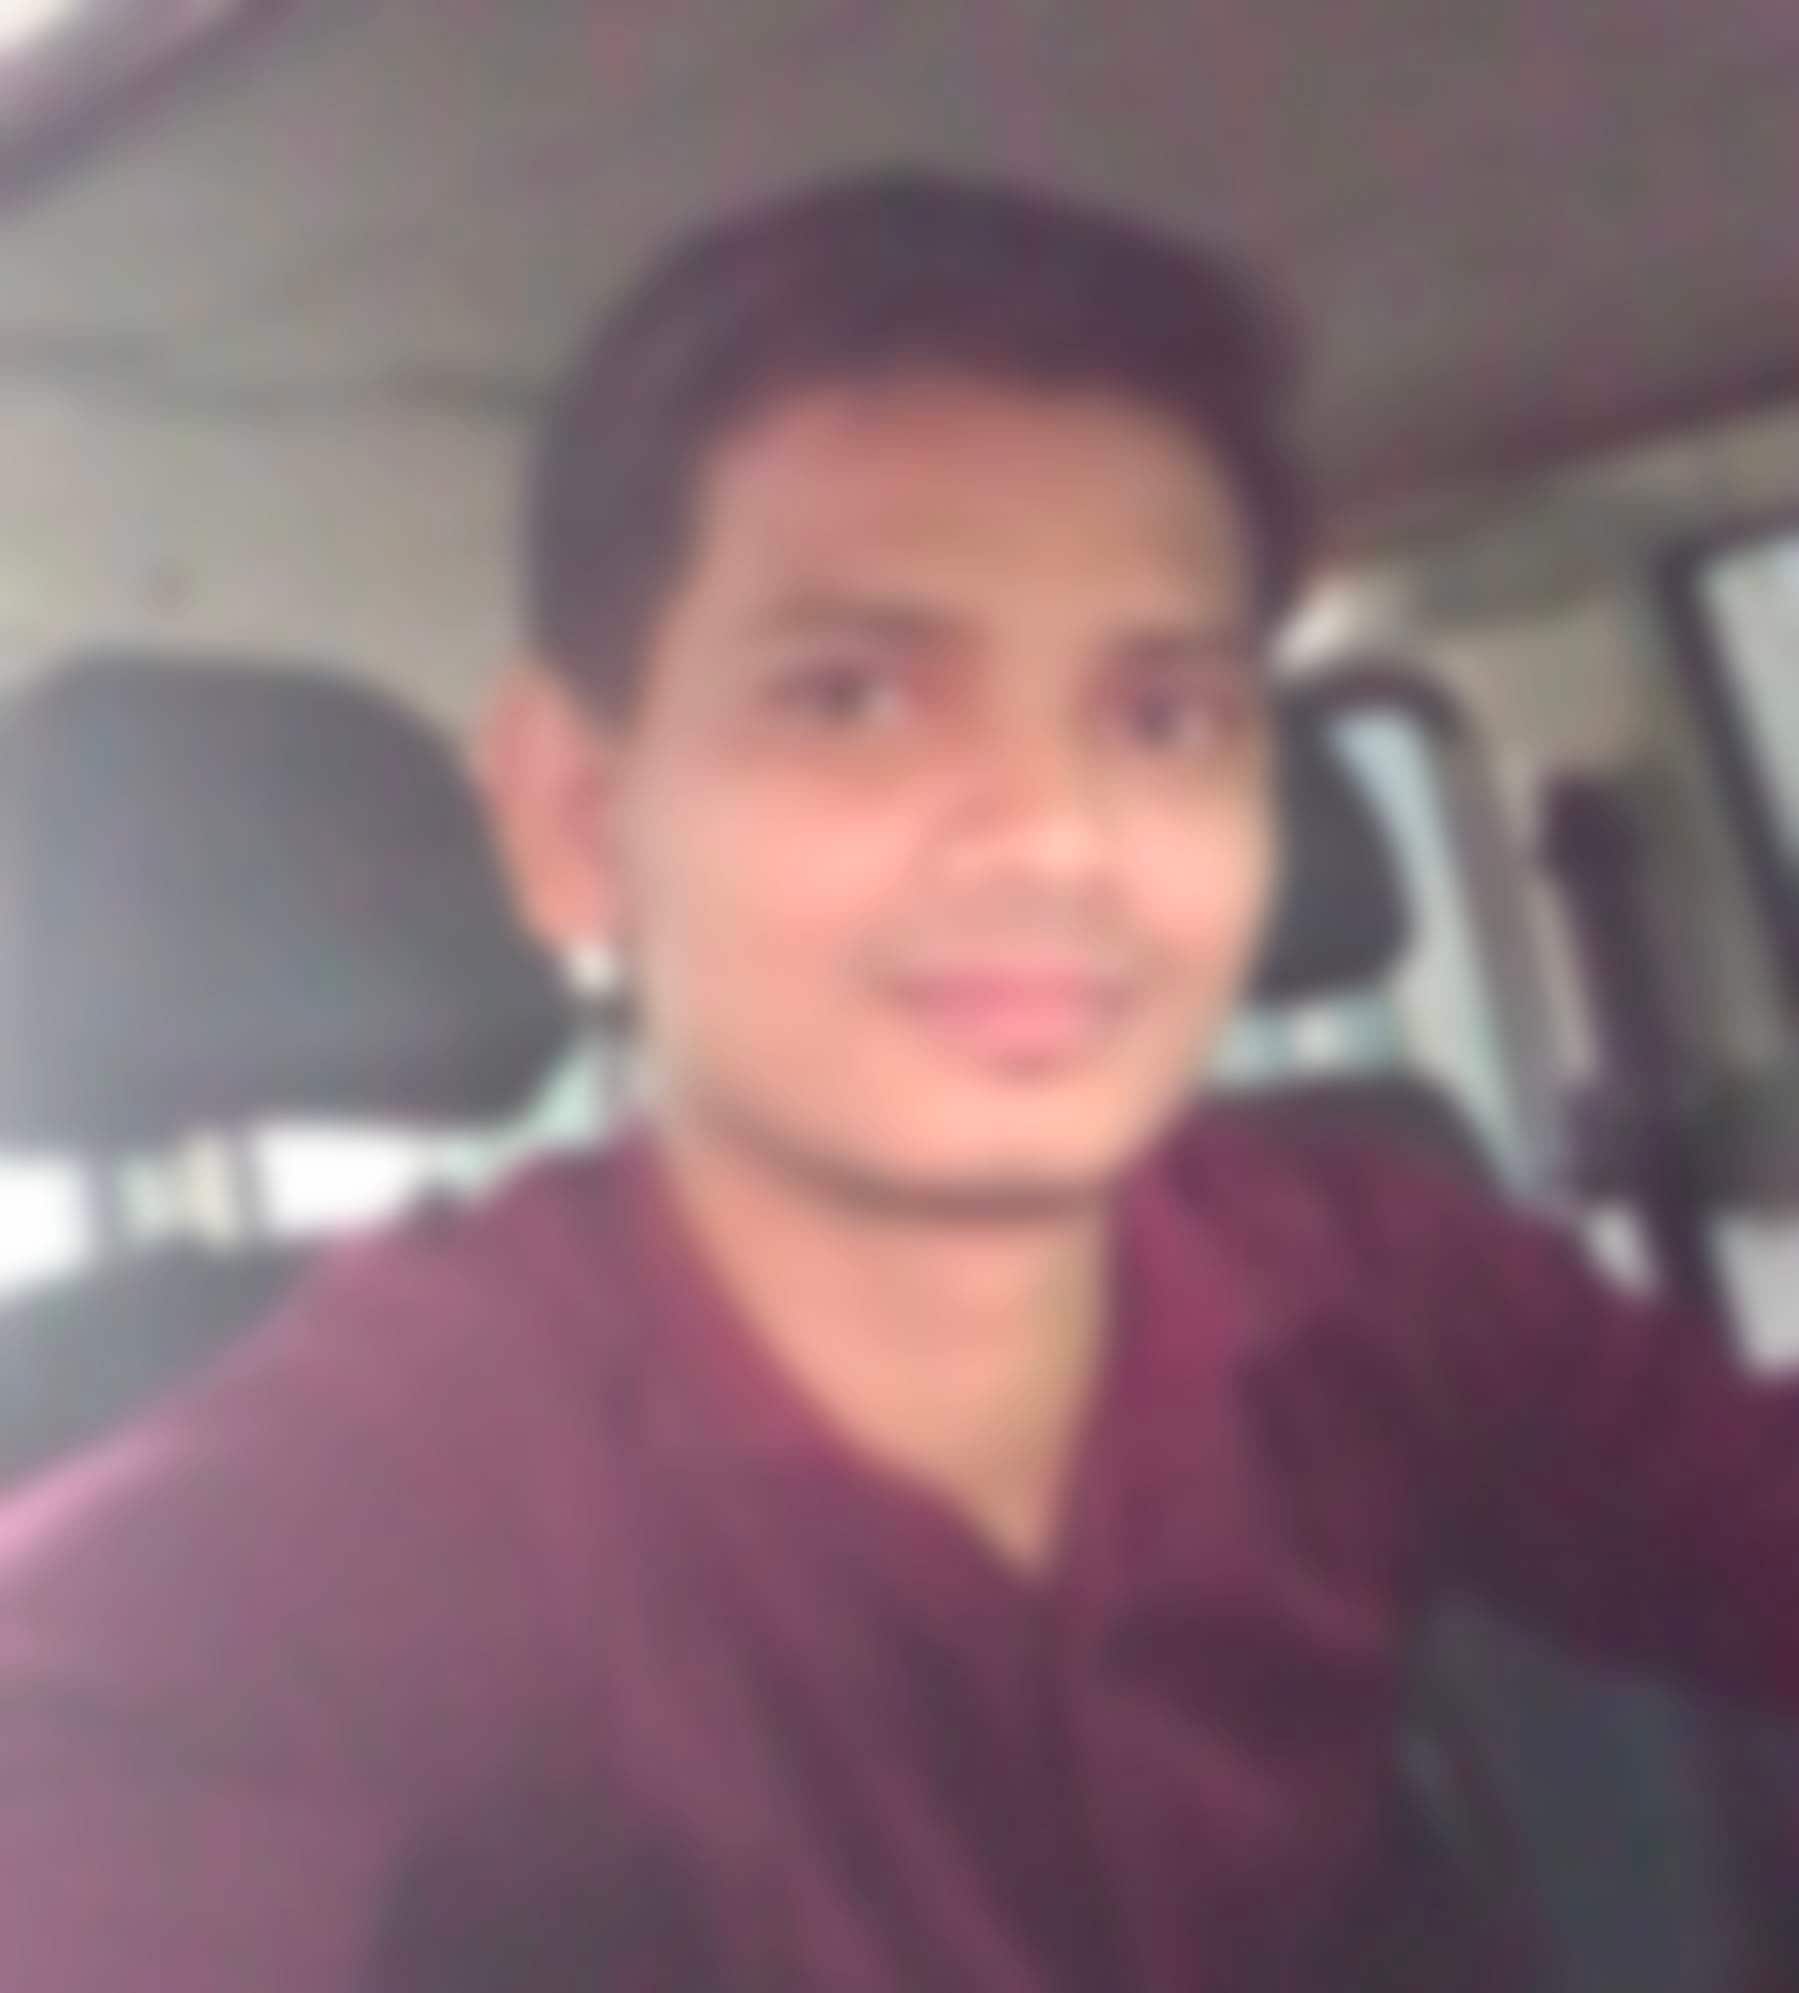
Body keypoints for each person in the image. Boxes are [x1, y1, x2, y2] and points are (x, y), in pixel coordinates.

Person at [1, 170, 1796, 1993]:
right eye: (854, 696)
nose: (1056, 836)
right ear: (581, 816)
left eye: (1163, 717)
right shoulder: (352, 1507)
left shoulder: (1367, 1271)